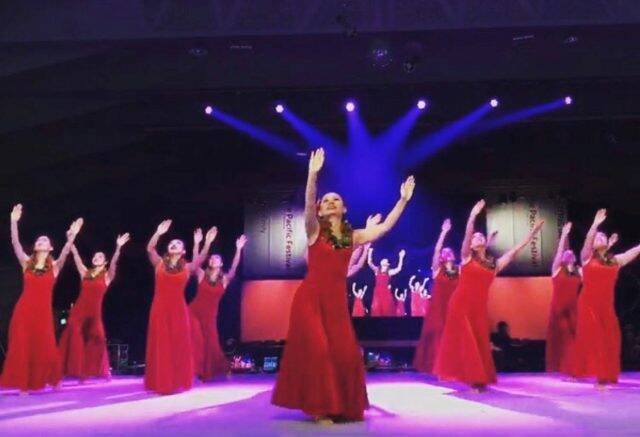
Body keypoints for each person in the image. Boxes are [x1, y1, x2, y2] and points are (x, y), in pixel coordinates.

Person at [272, 148, 415, 422]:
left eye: (335, 199)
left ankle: (342, 404)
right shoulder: (314, 230)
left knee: (347, 355)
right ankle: (319, 408)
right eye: (326, 200)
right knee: (319, 350)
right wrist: (312, 175)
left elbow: (384, 228)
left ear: (344, 208)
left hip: (337, 304)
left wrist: (402, 200)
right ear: (320, 209)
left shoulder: (353, 237)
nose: (330, 202)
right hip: (310, 300)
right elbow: (309, 202)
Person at [434, 200, 544, 392]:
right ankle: (475, 380)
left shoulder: (494, 264)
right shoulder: (467, 257)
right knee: (467, 341)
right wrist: (472, 216)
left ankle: (477, 378)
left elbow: (515, 251)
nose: (477, 237)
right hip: (460, 304)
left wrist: (532, 234)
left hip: (479, 307)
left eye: (480, 236)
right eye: (474, 237)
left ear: (485, 242)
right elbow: (467, 236)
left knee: (478, 342)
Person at [1, 204, 83, 393]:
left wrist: (72, 236)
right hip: (23, 310)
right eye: (39, 240)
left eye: (45, 240)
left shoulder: (55, 266)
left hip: (43, 313)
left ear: (50, 247)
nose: (41, 241)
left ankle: (52, 378)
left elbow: (66, 251)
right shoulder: (26, 263)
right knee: (22, 344)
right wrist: (13, 222)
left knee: (46, 345)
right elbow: (15, 243)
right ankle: (24, 384)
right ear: (35, 247)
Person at [569, 209, 640, 388]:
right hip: (588, 304)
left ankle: (607, 374)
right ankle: (599, 378)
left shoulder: (615, 261)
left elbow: (631, 252)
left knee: (612, 339)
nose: (599, 237)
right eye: (597, 237)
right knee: (597, 338)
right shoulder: (586, 258)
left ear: (608, 243)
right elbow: (588, 241)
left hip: (606, 306)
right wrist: (595, 224)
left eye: (603, 236)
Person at [145, 221, 216, 394]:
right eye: (171, 243)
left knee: (178, 344)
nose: (173, 244)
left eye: (178, 243)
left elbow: (200, 259)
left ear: (183, 251)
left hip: (178, 309)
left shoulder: (187, 267)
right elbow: (150, 248)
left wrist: (206, 242)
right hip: (159, 308)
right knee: (162, 344)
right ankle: (162, 381)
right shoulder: (159, 263)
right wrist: (158, 233)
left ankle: (176, 380)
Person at [59, 233, 130, 381]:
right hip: (79, 310)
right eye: (95, 256)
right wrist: (71, 239)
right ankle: (68, 371)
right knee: (73, 334)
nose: (96, 258)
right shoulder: (85, 272)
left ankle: (101, 370)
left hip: (94, 312)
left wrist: (118, 247)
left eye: (100, 256)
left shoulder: (107, 276)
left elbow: (114, 263)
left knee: (98, 338)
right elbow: (76, 256)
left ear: (105, 262)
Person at [189, 234, 247, 381]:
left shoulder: (224, 279)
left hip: (210, 316)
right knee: (196, 340)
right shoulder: (202, 274)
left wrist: (238, 249)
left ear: (221, 264)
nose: (213, 259)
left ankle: (216, 368)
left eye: (217, 258)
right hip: (193, 312)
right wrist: (197, 243)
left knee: (212, 344)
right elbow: (195, 263)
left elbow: (234, 267)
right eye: (212, 258)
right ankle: (194, 370)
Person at [413, 218, 458, 374]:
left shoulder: (459, 271)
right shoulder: (437, 269)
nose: (447, 252)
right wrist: (443, 232)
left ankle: (453, 365)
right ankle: (439, 366)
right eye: (445, 252)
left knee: (454, 335)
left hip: (453, 307)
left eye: (449, 251)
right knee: (439, 336)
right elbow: (437, 249)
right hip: (438, 309)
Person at [545, 222, 580, 373]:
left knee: (576, 338)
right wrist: (564, 235)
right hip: (559, 309)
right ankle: (570, 369)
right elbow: (559, 252)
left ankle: (575, 367)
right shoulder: (557, 269)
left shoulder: (579, 271)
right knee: (566, 338)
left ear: (575, 258)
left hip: (574, 309)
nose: (568, 253)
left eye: (571, 253)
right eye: (566, 253)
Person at [368, 248, 406, 316]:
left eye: (385, 261)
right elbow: (369, 263)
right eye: (383, 260)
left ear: (387, 264)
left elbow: (398, 269)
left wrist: (401, 257)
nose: (383, 261)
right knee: (376, 310)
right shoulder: (377, 270)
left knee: (387, 310)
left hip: (386, 292)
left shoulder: (389, 272)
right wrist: (370, 252)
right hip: (377, 292)